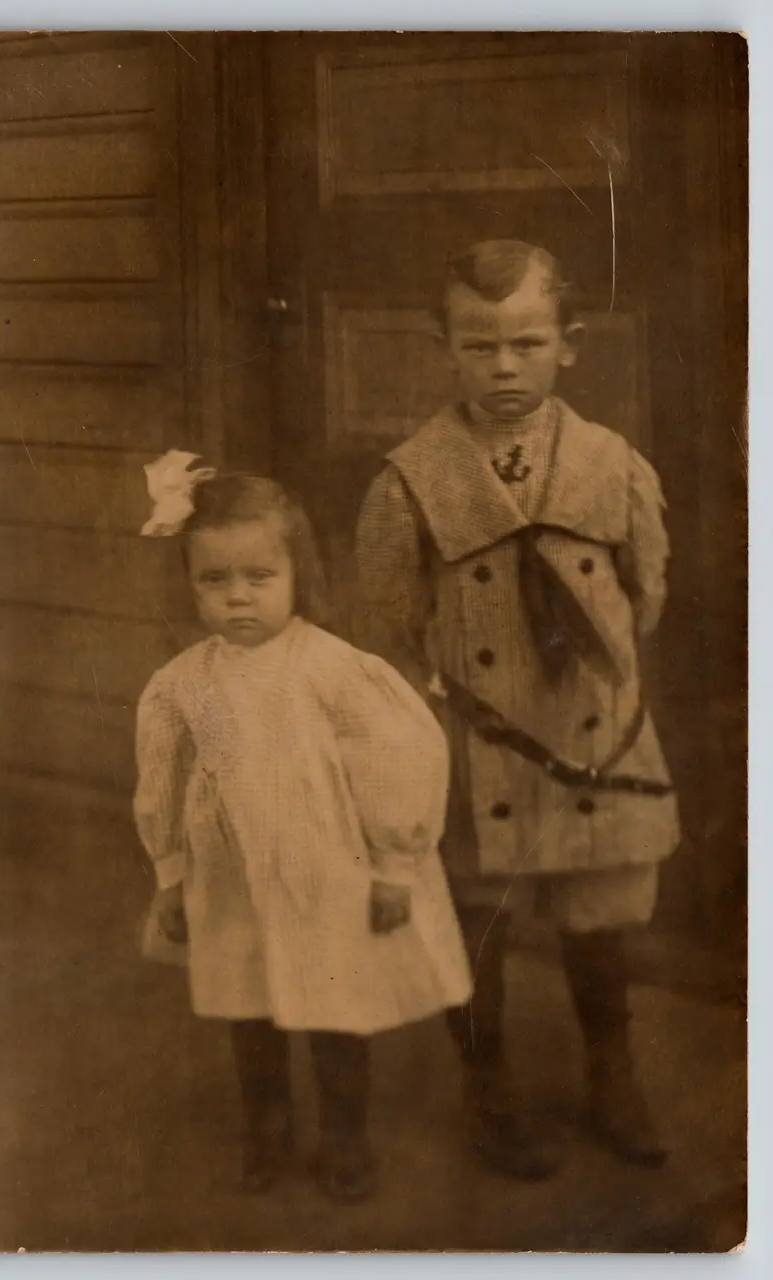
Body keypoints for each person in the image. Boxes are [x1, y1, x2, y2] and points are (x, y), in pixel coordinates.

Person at [355, 240, 681, 1181]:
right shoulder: (408, 484)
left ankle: (612, 1070)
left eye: (528, 345)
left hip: (589, 732)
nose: (505, 369)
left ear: (569, 345)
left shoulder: (612, 467)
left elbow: (645, 595)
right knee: (476, 916)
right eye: (479, 347)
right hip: (474, 740)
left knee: (598, 909)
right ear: (442, 346)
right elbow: (385, 629)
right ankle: (486, 1083)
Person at [133, 453, 472, 1203]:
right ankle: (268, 1130)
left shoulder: (333, 670)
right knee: (248, 1012)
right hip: (232, 880)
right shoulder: (186, 683)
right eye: (214, 581)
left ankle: (344, 1138)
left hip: (327, 877)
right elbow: (164, 781)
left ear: (297, 572)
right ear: (189, 586)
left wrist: (392, 865)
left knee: (333, 1014)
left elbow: (400, 759)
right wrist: (170, 874)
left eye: (259, 577)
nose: (238, 599)